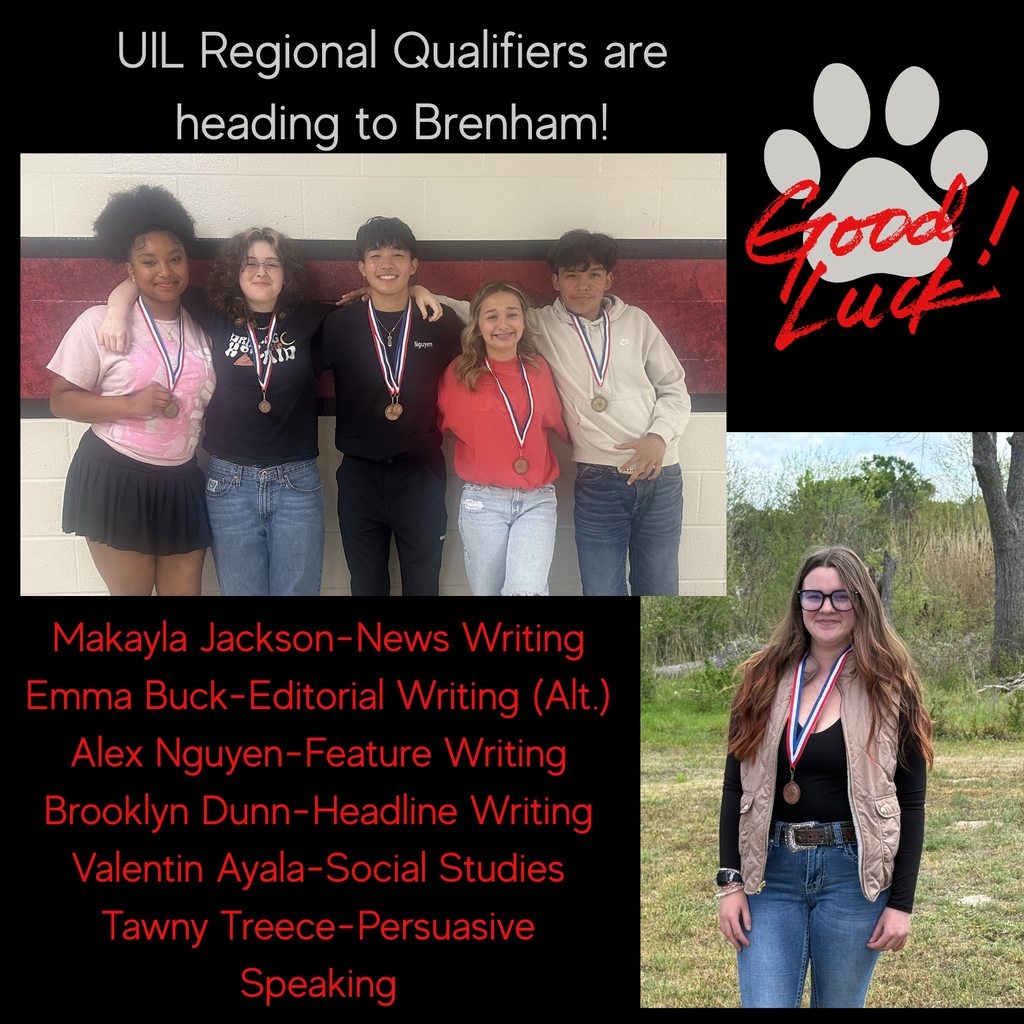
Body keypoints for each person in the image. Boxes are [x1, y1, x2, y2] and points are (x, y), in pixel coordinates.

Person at [418, 229, 690, 595]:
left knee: (659, 587)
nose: (583, 285)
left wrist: (660, 437)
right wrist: (413, 292)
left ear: (608, 279)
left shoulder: (638, 322)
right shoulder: (540, 323)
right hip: (600, 478)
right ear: (556, 281)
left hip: (661, 471)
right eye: (572, 275)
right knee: (602, 589)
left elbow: (674, 387)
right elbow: (481, 311)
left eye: (594, 274)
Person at [717, 546, 932, 1008]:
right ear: (799, 602)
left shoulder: (893, 686)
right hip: (771, 876)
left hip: (852, 877)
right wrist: (730, 883)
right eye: (813, 596)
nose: (827, 608)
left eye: (841, 597)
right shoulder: (762, 677)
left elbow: (911, 802)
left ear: (862, 603)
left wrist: (901, 904)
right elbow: (735, 787)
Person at [100, 228, 333, 595]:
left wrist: (417, 290)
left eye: (272, 264)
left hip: (296, 482)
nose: (261, 272)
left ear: (286, 273)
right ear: (234, 273)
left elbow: (379, 309)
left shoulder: (313, 319)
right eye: (250, 264)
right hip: (230, 483)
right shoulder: (212, 311)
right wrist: (115, 312)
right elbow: (148, 283)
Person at [47, 185, 215, 596]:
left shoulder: (205, 321)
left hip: (183, 479)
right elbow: (60, 400)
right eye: (148, 261)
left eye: (175, 258)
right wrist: (130, 404)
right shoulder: (99, 322)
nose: (165, 270)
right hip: (118, 478)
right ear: (130, 270)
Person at [317, 216, 462, 596]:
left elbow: (495, 318)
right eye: (376, 255)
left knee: (423, 586)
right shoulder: (339, 324)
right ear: (362, 268)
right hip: (359, 477)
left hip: (421, 476)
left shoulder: (438, 322)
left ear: (413, 266)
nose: (387, 264)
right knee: (366, 586)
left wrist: (424, 293)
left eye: (398, 254)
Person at [436, 282, 570, 595]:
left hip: (536, 501)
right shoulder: (460, 373)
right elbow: (433, 424)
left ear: (524, 321)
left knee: (525, 591)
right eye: (491, 317)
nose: (503, 325)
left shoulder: (539, 369)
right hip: (483, 502)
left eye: (511, 314)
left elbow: (562, 424)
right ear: (478, 325)